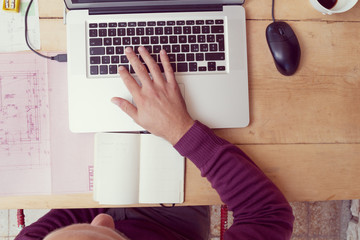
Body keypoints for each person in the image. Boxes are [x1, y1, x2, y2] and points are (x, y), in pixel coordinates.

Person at [15, 46, 294, 240]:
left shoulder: (94, 220)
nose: (104, 218)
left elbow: (52, 230)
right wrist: (180, 130)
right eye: (111, 234)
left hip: (106, 195)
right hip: (175, 227)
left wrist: (105, 203)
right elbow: (267, 215)